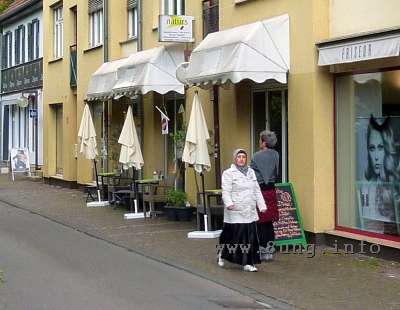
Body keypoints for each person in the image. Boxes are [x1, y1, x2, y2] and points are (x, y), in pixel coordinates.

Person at [218, 149, 267, 272]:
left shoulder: (251, 172)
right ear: (235, 159)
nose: (241, 159)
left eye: (243, 157)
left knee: (249, 237)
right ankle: (222, 254)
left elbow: (256, 190)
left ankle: (248, 263)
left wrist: (262, 205)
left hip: (249, 210)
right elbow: (226, 190)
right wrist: (229, 203)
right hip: (235, 210)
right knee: (233, 237)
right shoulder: (228, 173)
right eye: (239, 157)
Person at [250, 130, 280, 261]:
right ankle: (270, 249)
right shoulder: (276, 155)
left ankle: (262, 250)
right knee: (269, 221)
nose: (258, 142)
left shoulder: (256, 156)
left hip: (260, 191)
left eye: (260, 140)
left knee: (260, 221)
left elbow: (251, 174)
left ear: (264, 142)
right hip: (272, 191)